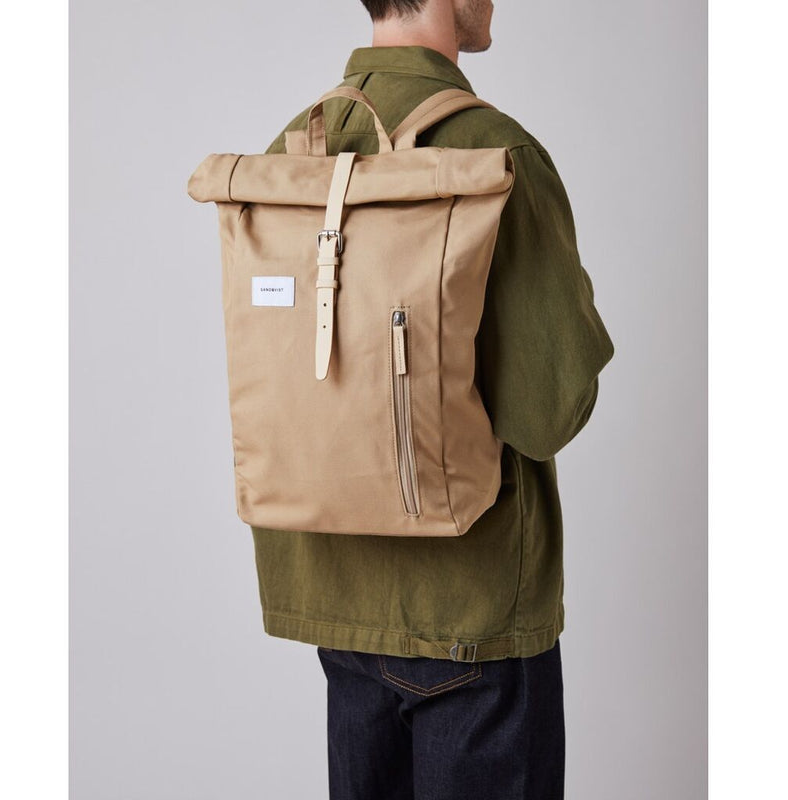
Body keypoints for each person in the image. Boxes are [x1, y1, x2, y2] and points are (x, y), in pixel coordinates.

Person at [256, 1, 615, 798]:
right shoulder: (495, 150)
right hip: (469, 608)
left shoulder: (293, 148)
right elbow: (549, 409)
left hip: (334, 599)